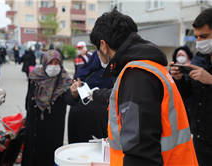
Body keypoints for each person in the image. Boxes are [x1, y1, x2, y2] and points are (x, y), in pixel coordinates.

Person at [84, 7, 198, 166]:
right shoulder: (148, 68)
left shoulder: (136, 75)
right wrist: (95, 94)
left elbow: (141, 153)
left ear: (103, 45)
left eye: (96, 49)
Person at [169, 8, 212, 166]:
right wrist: (179, 79)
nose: (199, 41)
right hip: (199, 139)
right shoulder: (199, 59)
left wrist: (211, 80)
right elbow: (187, 93)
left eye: (204, 36)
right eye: (196, 37)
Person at [21, 50, 79, 166]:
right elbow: (28, 97)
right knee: (31, 156)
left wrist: (75, 93)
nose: (53, 66)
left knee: (47, 158)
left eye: (57, 63)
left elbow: (70, 100)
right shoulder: (35, 76)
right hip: (33, 125)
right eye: (51, 63)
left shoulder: (64, 81)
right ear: (45, 63)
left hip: (52, 130)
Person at [68, 51, 113, 143]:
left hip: (76, 115)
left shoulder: (82, 71)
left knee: (77, 149)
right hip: (99, 118)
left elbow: (71, 96)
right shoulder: (111, 74)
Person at [172, 45, 194, 123]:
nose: (180, 57)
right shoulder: (173, 69)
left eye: (183, 55)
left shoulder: (193, 67)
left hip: (189, 104)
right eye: (179, 55)